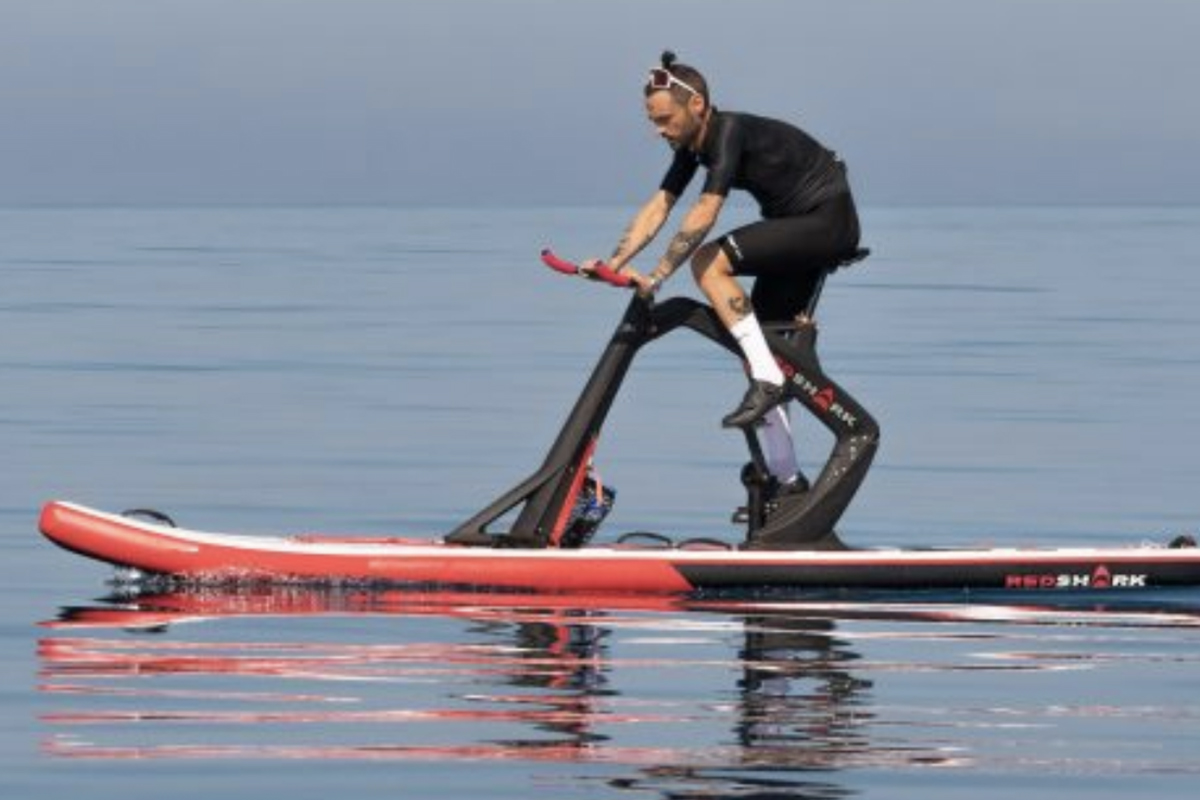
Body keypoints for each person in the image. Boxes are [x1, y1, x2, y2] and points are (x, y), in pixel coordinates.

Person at [593, 50, 863, 495]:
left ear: (697, 104)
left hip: (826, 221)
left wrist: (658, 275)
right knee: (757, 344)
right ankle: (788, 481)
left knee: (708, 262)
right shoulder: (690, 147)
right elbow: (660, 205)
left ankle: (768, 379)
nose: (659, 130)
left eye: (665, 119)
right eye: (653, 122)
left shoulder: (728, 132)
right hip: (795, 227)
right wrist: (613, 264)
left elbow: (705, 212)